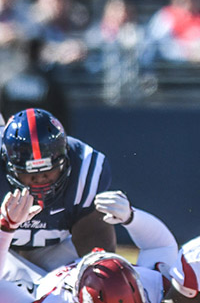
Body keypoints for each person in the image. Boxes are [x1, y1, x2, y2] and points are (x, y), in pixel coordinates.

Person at [0, 108, 115, 288]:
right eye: (29, 173)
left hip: (52, 250)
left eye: (48, 171)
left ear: (66, 158)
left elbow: (95, 244)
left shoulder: (84, 168)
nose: (39, 179)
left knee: (101, 277)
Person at [0, 189, 178, 302]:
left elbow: (161, 248)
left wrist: (6, 228)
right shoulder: (54, 298)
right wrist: (132, 217)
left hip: (46, 280)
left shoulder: (156, 287)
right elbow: (161, 248)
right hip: (52, 282)